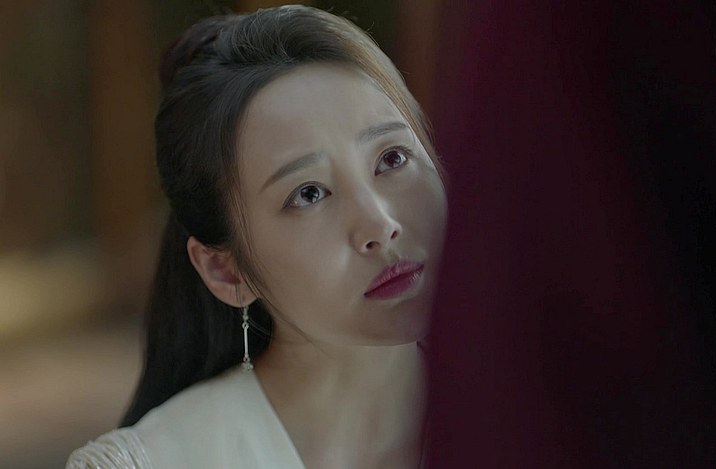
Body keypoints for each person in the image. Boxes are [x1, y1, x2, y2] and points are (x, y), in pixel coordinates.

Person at [67, 5, 446, 468]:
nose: (380, 227)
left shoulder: (525, 396)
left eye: (392, 159)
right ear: (225, 270)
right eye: (308, 193)